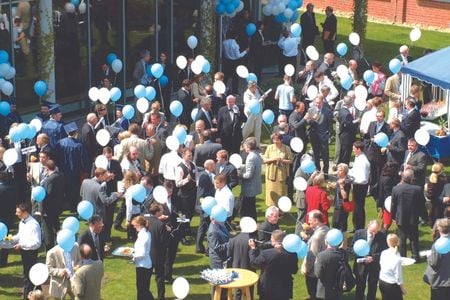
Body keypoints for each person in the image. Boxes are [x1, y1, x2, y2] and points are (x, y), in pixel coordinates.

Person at [248, 230, 298, 300]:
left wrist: (253, 249)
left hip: (267, 288)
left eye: (271, 238)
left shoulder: (266, 253)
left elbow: (254, 263)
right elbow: (294, 270)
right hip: (284, 287)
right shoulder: (293, 254)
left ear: (274, 240)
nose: (270, 240)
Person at [56, 122, 90, 212]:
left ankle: (70, 205)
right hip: (75, 171)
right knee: (75, 189)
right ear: (75, 133)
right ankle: (75, 206)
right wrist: (86, 169)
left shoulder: (60, 143)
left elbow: (57, 157)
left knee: (66, 188)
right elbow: (83, 160)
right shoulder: (78, 145)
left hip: (63, 170)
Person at [390, 169, 423, 262]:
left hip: (401, 217)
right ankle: (416, 256)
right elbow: (421, 204)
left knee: (402, 239)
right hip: (413, 217)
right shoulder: (417, 189)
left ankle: (403, 257)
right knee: (414, 238)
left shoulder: (396, 189)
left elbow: (393, 205)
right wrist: (424, 216)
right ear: (412, 178)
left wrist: (393, 216)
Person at [12, 203, 42, 300]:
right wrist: (10, 239)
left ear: (25, 212)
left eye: (18, 212)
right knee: (29, 276)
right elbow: (20, 235)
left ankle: (27, 297)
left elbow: (37, 243)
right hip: (24, 252)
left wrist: (22, 245)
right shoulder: (22, 222)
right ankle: (37, 295)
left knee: (29, 277)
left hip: (31, 253)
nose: (16, 214)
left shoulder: (34, 225)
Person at [352, 220, 387, 300]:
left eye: (376, 231)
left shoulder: (381, 236)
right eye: (372, 231)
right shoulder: (358, 233)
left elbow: (384, 252)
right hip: (361, 265)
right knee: (360, 285)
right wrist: (361, 255)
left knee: (373, 286)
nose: (374, 233)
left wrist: (373, 258)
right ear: (368, 226)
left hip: (374, 265)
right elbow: (352, 248)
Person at [301, 210, 329, 300]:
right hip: (325, 268)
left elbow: (312, 255)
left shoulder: (317, 237)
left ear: (316, 221)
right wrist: (308, 235)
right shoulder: (326, 229)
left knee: (313, 294)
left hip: (313, 271)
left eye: (310, 220)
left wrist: (306, 269)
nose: (308, 222)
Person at [145, 203, 168, 300]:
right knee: (159, 277)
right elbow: (164, 242)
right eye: (161, 210)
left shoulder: (146, 221)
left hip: (147, 254)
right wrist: (168, 231)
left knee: (146, 278)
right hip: (159, 255)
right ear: (157, 211)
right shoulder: (161, 225)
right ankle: (161, 297)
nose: (163, 211)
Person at [40, 160, 65, 250]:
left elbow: (47, 196)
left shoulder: (49, 180)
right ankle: (60, 244)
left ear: (46, 168)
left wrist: (42, 210)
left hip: (49, 209)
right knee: (56, 227)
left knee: (48, 231)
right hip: (58, 207)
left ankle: (50, 249)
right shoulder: (60, 176)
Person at [263, 132, 293, 207]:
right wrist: (273, 159)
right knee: (271, 191)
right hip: (271, 175)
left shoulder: (286, 148)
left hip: (281, 174)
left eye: (277, 140)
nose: (275, 142)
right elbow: (265, 160)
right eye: (273, 140)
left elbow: (291, 161)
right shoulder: (269, 147)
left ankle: (281, 210)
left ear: (281, 140)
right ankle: (271, 208)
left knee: (281, 192)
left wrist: (282, 160)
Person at [305, 95, 333, 173]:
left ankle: (325, 173)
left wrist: (329, 135)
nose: (318, 104)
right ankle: (317, 171)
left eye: (319, 103)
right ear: (314, 102)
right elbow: (307, 122)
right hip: (314, 136)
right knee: (316, 155)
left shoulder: (327, 111)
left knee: (325, 156)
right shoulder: (310, 110)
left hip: (324, 136)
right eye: (316, 103)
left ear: (322, 102)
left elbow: (330, 125)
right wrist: (312, 120)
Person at [423, 218, 450, 299]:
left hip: (440, 281)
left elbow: (434, 262)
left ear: (439, 229)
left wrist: (428, 256)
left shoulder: (438, 244)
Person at [365, 110, 390, 196]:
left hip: (380, 153)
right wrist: (368, 144)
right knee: (371, 172)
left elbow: (389, 140)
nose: (378, 118)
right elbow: (367, 136)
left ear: (384, 117)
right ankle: (371, 190)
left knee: (379, 172)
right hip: (372, 152)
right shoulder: (372, 124)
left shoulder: (387, 127)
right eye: (377, 116)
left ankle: (378, 190)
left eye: (380, 116)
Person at [239, 137, 262, 220]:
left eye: (245, 146)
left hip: (249, 187)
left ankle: (248, 223)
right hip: (255, 185)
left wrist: (239, 174)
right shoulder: (257, 155)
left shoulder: (250, 157)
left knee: (247, 208)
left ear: (248, 147)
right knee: (252, 207)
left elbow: (248, 175)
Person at [131, 216, 154, 300]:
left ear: (140, 224)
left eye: (135, 225)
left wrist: (132, 255)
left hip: (143, 266)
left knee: (142, 290)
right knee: (144, 289)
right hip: (144, 265)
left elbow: (142, 253)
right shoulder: (144, 233)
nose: (134, 227)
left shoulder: (143, 235)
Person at [195, 160, 216, 254]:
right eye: (213, 164)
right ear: (209, 166)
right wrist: (214, 190)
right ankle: (200, 247)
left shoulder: (209, 175)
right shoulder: (204, 177)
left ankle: (200, 247)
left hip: (207, 205)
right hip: (205, 206)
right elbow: (201, 194)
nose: (215, 165)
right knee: (204, 227)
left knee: (204, 227)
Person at [349, 141, 370, 230]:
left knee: (359, 207)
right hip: (356, 185)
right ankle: (356, 226)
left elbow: (363, 178)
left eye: (354, 149)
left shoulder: (363, 161)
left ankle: (359, 227)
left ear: (358, 149)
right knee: (356, 207)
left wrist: (352, 180)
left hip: (360, 187)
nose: (353, 151)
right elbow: (354, 170)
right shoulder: (358, 158)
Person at [378, 234, 406, 299]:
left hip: (382, 281)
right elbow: (398, 275)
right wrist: (402, 288)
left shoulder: (383, 253)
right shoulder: (397, 257)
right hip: (391, 285)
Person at [332, 163, 352, 242]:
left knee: (337, 224)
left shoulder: (346, 182)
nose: (338, 172)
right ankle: (341, 241)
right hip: (338, 204)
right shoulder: (340, 179)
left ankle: (339, 242)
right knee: (341, 224)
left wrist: (341, 186)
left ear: (344, 172)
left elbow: (345, 196)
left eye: (340, 170)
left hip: (341, 206)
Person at [377, 162, 399, 232]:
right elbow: (388, 192)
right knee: (387, 221)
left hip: (383, 200)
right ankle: (383, 233)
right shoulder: (388, 179)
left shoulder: (383, 176)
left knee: (385, 219)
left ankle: (382, 231)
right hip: (388, 202)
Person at [242, 81, 265, 145]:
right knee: (249, 128)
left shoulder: (257, 91)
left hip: (258, 112)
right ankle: (243, 140)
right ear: (250, 87)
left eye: (256, 87)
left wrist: (263, 97)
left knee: (258, 128)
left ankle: (257, 144)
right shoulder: (247, 94)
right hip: (250, 113)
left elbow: (259, 98)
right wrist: (259, 100)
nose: (256, 88)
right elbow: (249, 104)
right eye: (254, 87)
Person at [338, 96, 359, 165]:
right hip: (347, 136)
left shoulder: (341, 110)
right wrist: (357, 122)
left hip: (343, 135)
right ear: (350, 103)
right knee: (346, 154)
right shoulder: (347, 113)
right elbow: (349, 125)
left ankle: (340, 165)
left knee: (342, 152)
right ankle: (344, 166)